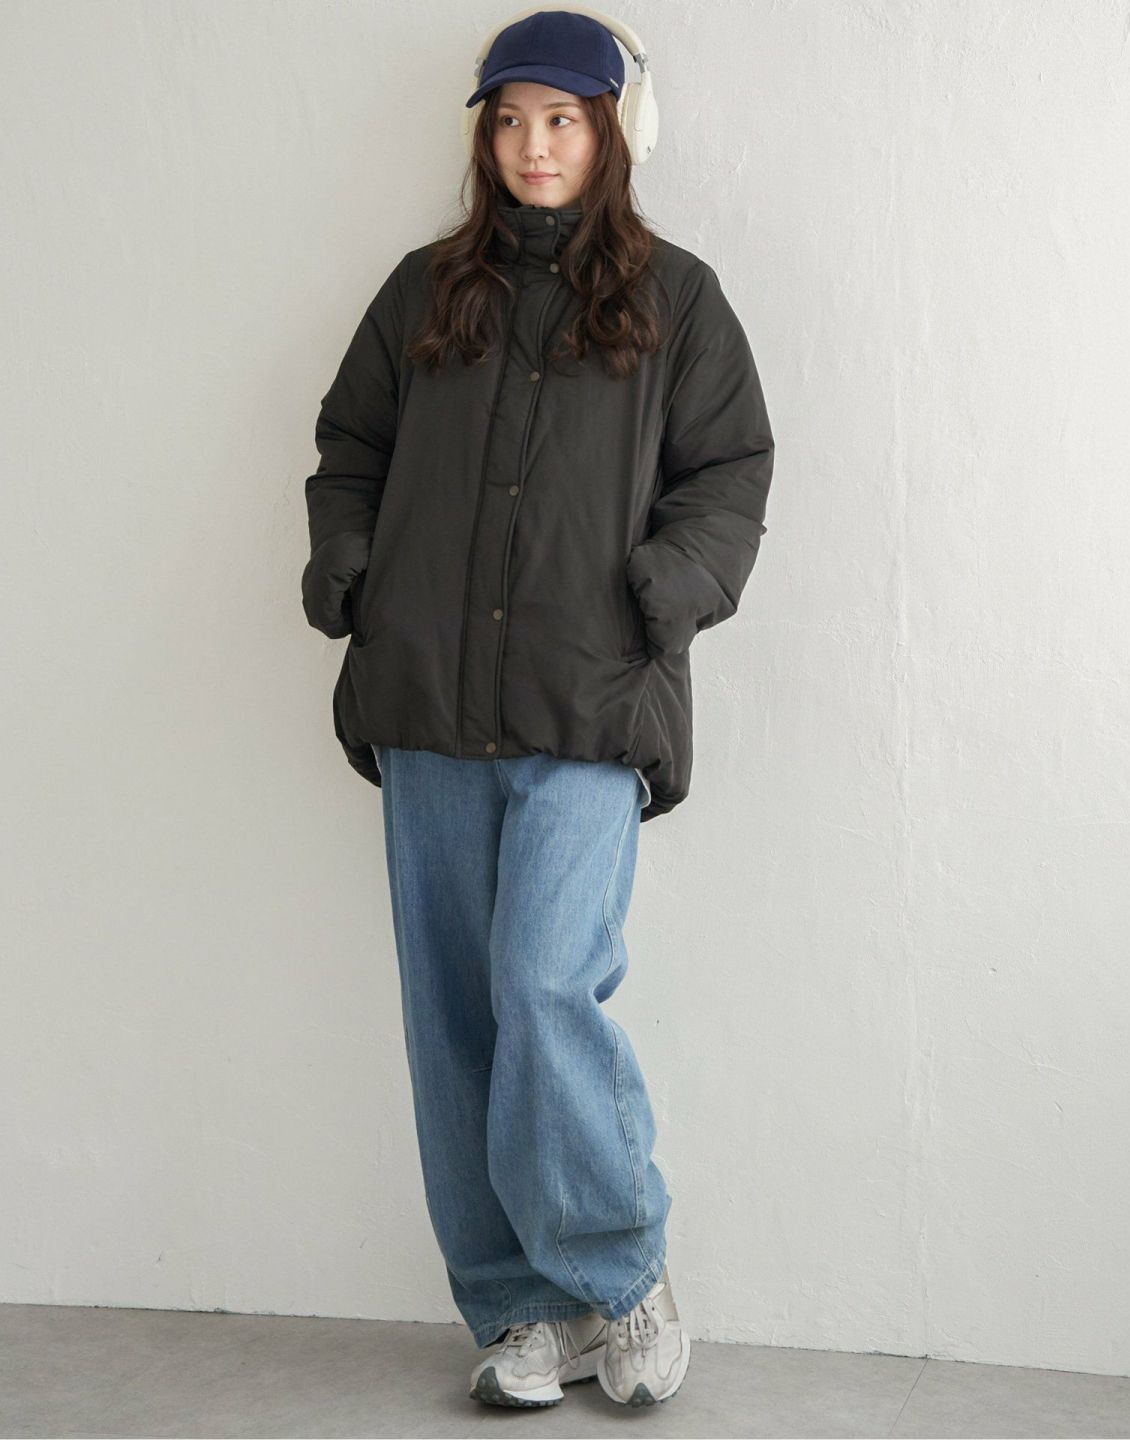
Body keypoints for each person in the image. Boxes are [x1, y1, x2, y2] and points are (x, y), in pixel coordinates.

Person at [300, 6, 774, 1412]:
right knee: (455, 1014)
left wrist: (663, 589)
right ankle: (521, 1312)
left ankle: (623, 1281)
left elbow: (729, 470)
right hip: (429, 698)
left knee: (542, 983)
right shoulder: (424, 291)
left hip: (589, 696)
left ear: (613, 131)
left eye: (561, 119)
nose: (532, 145)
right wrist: (351, 570)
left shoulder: (678, 300)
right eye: (508, 121)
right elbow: (350, 448)